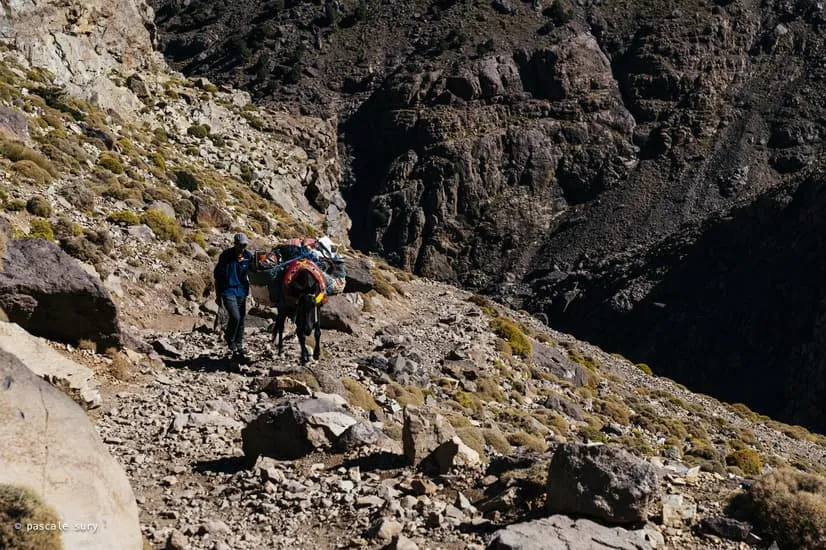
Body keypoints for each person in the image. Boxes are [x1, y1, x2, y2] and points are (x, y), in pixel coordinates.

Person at [213, 233, 253, 359]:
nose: (243, 248)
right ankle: (229, 338)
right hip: (228, 290)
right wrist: (218, 296)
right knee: (235, 316)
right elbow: (217, 277)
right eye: (241, 245)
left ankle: (239, 345)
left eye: (245, 245)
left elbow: (255, 272)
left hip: (241, 291)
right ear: (235, 244)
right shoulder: (225, 256)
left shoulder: (248, 256)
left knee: (241, 319)